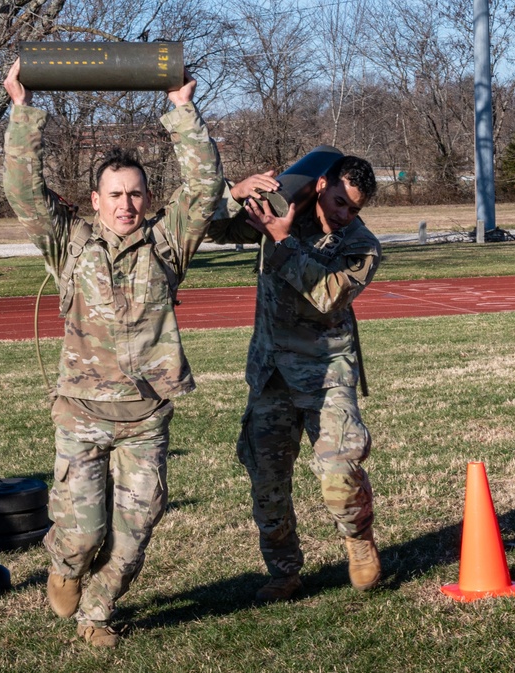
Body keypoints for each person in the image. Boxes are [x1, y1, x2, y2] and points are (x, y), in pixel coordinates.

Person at [2, 60, 223, 646]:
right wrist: (23, 110)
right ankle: (66, 565)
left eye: (135, 194)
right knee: (82, 532)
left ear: (149, 198)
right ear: (95, 200)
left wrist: (181, 111)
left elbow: (204, 189)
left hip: (146, 416)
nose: (126, 204)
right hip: (82, 414)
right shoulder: (68, 243)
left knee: (135, 530)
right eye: (115, 194)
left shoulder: (168, 245)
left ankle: (97, 612)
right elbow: (22, 190)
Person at [207, 155, 382, 602]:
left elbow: (327, 294)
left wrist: (282, 241)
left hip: (327, 375)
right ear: (321, 185)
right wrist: (236, 193)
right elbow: (217, 229)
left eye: (354, 209)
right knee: (267, 482)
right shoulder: (280, 210)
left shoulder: (361, 245)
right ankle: (284, 571)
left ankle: (358, 537)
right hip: (271, 374)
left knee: (339, 475)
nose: (344, 214)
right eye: (340, 201)